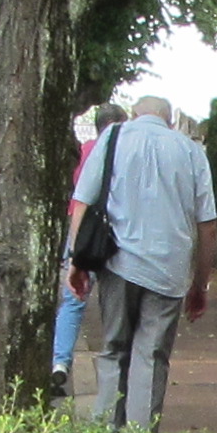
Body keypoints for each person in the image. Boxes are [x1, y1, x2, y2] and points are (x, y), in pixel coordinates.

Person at [70, 95, 217, 431]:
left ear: (134, 115)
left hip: (117, 260)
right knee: (152, 355)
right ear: (169, 123)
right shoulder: (191, 151)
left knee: (113, 348)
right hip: (170, 266)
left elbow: (82, 201)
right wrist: (200, 284)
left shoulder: (112, 137)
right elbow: (208, 225)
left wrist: (76, 262)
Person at [53, 102, 125, 382]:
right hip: (107, 234)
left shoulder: (81, 152)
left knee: (73, 301)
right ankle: (113, 366)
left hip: (78, 230)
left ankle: (59, 363)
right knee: (114, 298)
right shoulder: (119, 152)